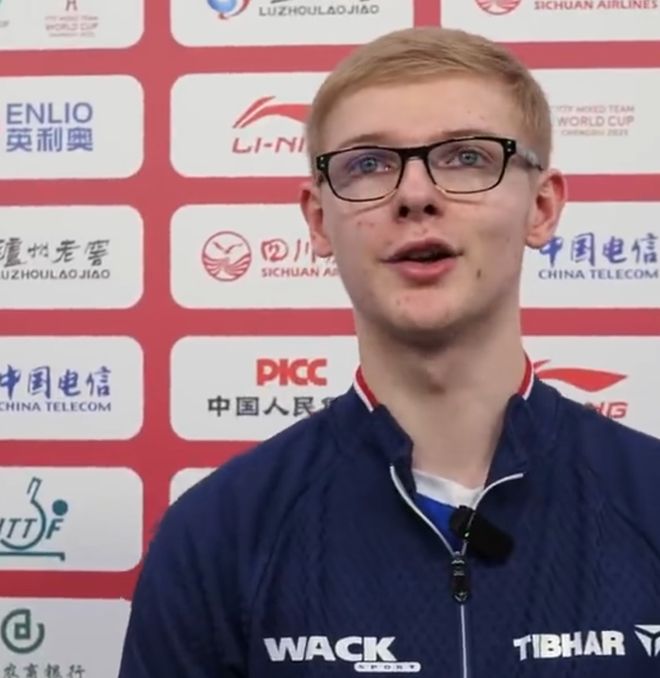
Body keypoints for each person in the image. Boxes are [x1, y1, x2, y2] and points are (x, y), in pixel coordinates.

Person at [118, 26, 660, 677]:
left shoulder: (647, 502)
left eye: (466, 156)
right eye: (368, 165)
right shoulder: (218, 534)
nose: (415, 195)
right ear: (318, 220)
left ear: (541, 207)